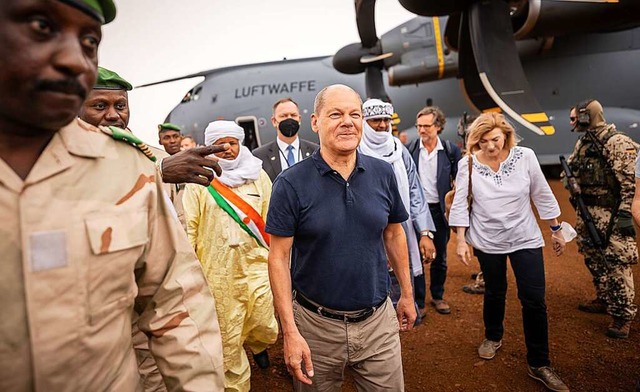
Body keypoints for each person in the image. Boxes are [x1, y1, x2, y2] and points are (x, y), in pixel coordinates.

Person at [0, 1, 225, 390]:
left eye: (90, 41)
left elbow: (175, 304)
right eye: (41, 26)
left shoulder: (127, 166)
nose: (75, 60)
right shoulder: (146, 164)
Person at [267, 84, 416, 391]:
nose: (347, 122)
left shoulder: (382, 173)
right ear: (315, 121)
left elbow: (394, 233)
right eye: (335, 114)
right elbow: (278, 257)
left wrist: (408, 294)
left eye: (354, 114)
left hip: (378, 323)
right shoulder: (290, 184)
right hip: (316, 328)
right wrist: (290, 332)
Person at [449, 112, 569, 391]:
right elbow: (460, 204)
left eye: (495, 139)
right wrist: (459, 239)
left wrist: (556, 229)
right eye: (482, 141)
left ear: (506, 135)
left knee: (534, 299)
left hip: (524, 236)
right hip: (487, 239)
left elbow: (541, 193)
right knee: (494, 289)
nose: (490, 146)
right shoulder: (467, 164)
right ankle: (493, 336)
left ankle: (539, 362)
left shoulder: (525, 156)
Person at [183, 120, 279, 392]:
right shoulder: (198, 180)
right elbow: (190, 226)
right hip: (217, 272)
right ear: (209, 147)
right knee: (228, 335)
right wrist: (190, 274)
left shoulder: (258, 175)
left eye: (232, 143)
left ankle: (258, 343)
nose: (227, 149)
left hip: (258, 266)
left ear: (240, 144)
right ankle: (237, 384)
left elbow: (272, 220)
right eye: (220, 144)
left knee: (265, 323)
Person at [566, 99, 638, 338]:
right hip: (588, 211)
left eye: (575, 117)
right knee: (592, 255)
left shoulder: (617, 142)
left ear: (588, 117)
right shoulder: (584, 142)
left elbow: (629, 183)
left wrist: (625, 214)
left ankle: (622, 315)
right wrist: (571, 183)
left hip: (612, 212)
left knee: (617, 261)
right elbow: (573, 169)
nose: (572, 122)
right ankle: (605, 297)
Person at [359, 98, 436, 321]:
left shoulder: (398, 149)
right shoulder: (357, 151)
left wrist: (425, 232)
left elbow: (415, 191)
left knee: (402, 272)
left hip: (402, 227)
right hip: (370, 229)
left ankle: (405, 312)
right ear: (365, 121)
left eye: (386, 119)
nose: (383, 125)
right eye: (376, 120)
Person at [406, 106, 462, 315]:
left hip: (439, 211)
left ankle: (437, 296)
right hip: (416, 210)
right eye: (419, 126)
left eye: (426, 126)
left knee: (440, 256)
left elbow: (459, 180)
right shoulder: (410, 149)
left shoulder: (449, 150)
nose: (421, 130)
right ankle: (418, 302)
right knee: (415, 255)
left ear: (438, 127)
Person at [252, 97, 318, 181]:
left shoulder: (316, 151)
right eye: (283, 116)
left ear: (299, 119)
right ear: (274, 121)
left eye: (293, 115)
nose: (289, 119)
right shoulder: (259, 156)